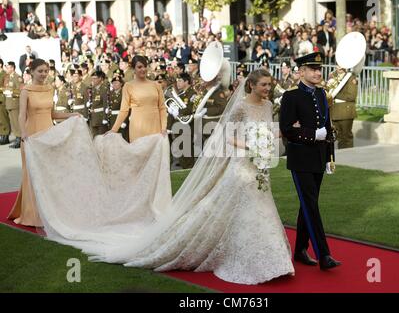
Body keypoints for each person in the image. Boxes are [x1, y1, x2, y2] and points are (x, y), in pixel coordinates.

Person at [30, 69, 294, 285]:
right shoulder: (240, 107)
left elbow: (267, 132)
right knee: (245, 207)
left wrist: (274, 138)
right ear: (251, 85)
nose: (267, 89)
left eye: (269, 85)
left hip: (258, 165)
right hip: (240, 164)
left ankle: (272, 260)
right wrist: (249, 146)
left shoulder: (269, 105)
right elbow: (226, 135)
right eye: (263, 84)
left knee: (261, 208)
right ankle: (249, 257)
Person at [279, 52, 341, 270]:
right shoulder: (291, 96)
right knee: (311, 205)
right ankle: (324, 255)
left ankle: (299, 250)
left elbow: (328, 127)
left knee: (307, 204)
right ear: (301, 71)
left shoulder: (322, 94)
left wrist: (329, 157)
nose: (317, 72)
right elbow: (286, 129)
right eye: (312, 69)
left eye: (319, 69)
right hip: (301, 158)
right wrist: (312, 135)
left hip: (318, 157)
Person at [7, 59, 80, 227]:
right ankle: (32, 214)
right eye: (40, 71)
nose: (44, 74)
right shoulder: (26, 90)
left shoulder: (49, 88)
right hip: (31, 136)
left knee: (49, 173)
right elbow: (21, 115)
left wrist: (71, 115)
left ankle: (50, 212)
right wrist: (23, 133)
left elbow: (52, 113)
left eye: (46, 71)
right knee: (32, 174)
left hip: (48, 135)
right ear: (31, 71)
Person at [108, 55, 167, 142]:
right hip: (138, 127)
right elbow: (124, 110)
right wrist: (114, 129)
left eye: (145, 66)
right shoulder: (128, 86)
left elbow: (162, 108)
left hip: (155, 128)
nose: (143, 69)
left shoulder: (156, 85)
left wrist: (163, 128)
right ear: (133, 69)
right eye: (139, 67)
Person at [329, 66, 358, 149]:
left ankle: (348, 156)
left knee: (346, 137)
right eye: (338, 64)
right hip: (334, 111)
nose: (339, 67)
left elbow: (351, 96)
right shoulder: (333, 76)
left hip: (345, 111)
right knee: (339, 137)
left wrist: (334, 94)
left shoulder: (350, 78)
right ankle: (342, 156)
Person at [3, 61, 22, 148]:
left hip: (15, 103)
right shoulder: (8, 77)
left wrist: (11, 92)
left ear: (12, 68)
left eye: (8, 67)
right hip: (9, 103)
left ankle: (20, 139)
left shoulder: (17, 77)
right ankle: (17, 138)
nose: (6, 69)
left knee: (17, 122)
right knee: (13, 123)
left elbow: (20, 90)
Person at [0, 58, 10, 145]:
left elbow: (6, 86)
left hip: (2, 98)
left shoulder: (5, 74)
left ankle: (5, 135)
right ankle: (1, 134)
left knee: (3, 118)